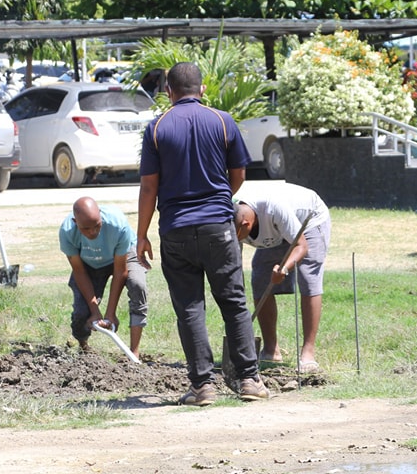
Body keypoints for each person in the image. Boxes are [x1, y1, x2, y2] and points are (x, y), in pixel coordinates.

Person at [136, 62, 268, 406]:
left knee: (190, 307)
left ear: (168, 92)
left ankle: (202, 386)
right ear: (203, 89)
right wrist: (222, 197)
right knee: (234, 302)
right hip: (218, 228)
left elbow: (149, 188)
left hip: (176, 229)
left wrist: (142, 235)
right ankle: (250, 381)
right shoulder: (223, 121)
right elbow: (238, 173)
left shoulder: (157, 128)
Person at [234, 184, 331, 372]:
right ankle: (271, 351)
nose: (237, 239)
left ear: (246, 224)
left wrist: (284, 269)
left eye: (238, 235)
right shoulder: (232, 217)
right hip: (277, 229)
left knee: (308, 278)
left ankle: (308, 354)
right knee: (261, 278)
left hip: (309, 220)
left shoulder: (273, 208)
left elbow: (301, 246)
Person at [59, 197, 150, 358]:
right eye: (86, 229)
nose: (93, 232)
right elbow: (79, 272)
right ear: (75, 222)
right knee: (81, 312)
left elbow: (120, 270)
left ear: (100, 215)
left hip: (124, 255)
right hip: (89, 263)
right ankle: (83, 347)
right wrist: (95, 311)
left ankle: (134, 352)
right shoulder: (67, 232)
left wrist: (110, 313)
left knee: (137, 285)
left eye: (97, 225)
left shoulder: (117, 224)